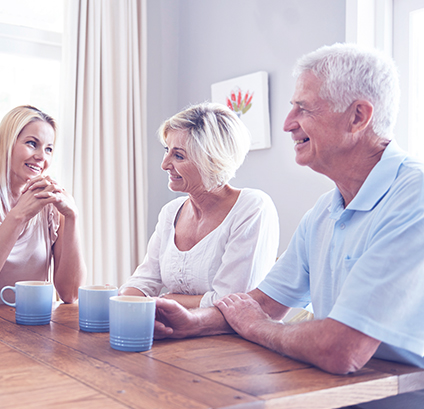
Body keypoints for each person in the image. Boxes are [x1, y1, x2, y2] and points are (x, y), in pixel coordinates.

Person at [153, 43, 424, 408]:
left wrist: (260, 327)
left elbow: (340, 349)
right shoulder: (325, 211)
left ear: (358, 117)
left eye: (304, 108)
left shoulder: (414, 198)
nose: (287, 123)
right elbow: (262, 302)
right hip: (336, 390)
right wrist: (193, 322)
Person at [119, 102, 279, 308]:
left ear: (211, 161)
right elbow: (145, 280)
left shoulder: (252, 208)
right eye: (166, 150)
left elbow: (231, 301)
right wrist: (122, 299)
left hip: (232, 339)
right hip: (178, 335)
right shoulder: (171, 212)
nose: (165, 164)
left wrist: (167, 300)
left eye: (178, 155)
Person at [0, 105, 86, 307]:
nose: (42, 157)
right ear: (5, 144)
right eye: (32, 143)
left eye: (48, 149)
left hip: (36, 330)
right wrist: (18, 216)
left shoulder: (53, 209)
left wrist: (73, 217)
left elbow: (70, 294)